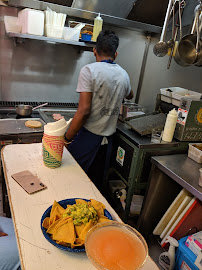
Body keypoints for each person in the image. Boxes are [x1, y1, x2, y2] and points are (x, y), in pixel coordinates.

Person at [65, 30, 133, 180]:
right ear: (116, 55)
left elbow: (83, 111)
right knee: (95, 185)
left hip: (88, 139)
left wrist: (67, 138)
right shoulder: (124, 75)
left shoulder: (89, 70)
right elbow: (130, 95)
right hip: (108, 142)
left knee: (72, 179)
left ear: (94, 51)